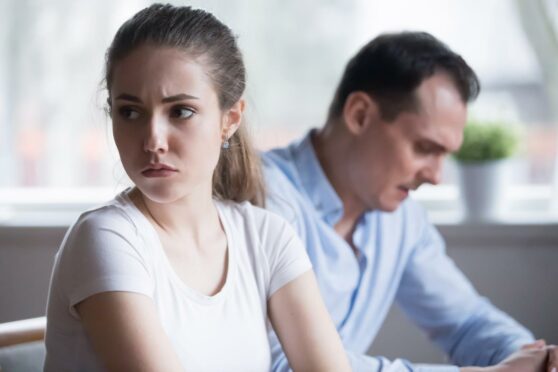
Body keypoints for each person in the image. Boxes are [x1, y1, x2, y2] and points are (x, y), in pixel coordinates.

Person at [43, 4, 351, 372]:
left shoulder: (268, 238)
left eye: (180, 112)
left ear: (230, 119)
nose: (153, 140)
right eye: (130, 112)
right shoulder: (107, 238)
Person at [262, 32, 558, 372]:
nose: (435, 176)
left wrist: (535, 357)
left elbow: (466, 321)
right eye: (424, 148)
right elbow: (279, 363)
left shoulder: (400, 219)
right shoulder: (264, 197)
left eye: (444, 155)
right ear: (359, 114)